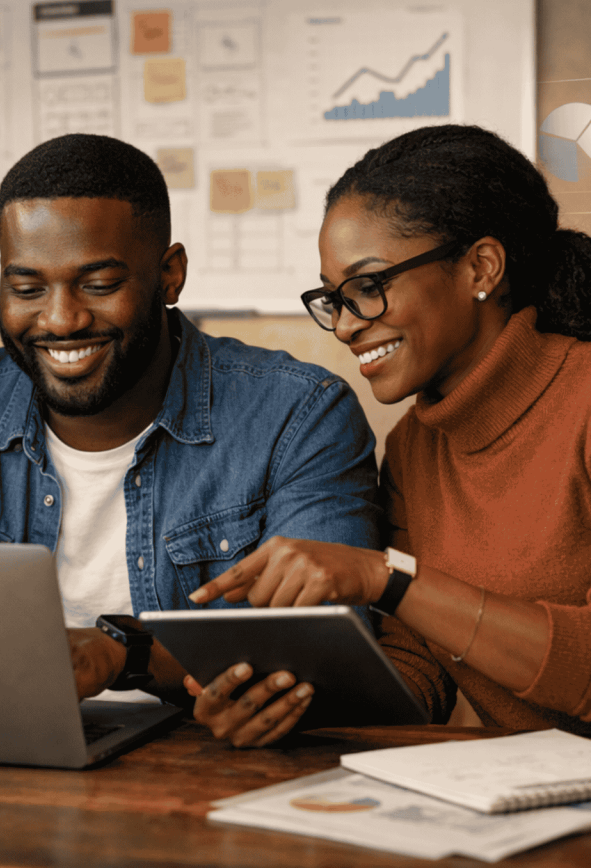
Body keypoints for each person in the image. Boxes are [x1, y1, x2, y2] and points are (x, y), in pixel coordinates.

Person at [0, 132, 381, 745]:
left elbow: (327, 657)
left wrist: (125, 655)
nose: (61, 319)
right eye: (27, 289)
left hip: (199, 769)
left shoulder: (297, 416)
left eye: (97, 284)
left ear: (170, 275)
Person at [192, 124, 591, 739]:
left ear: (481, 267)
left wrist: (387, 577)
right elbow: (416, 675)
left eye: (368, 287)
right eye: (333, 299)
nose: (347, 326)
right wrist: (281, 707)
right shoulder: (414, 447)